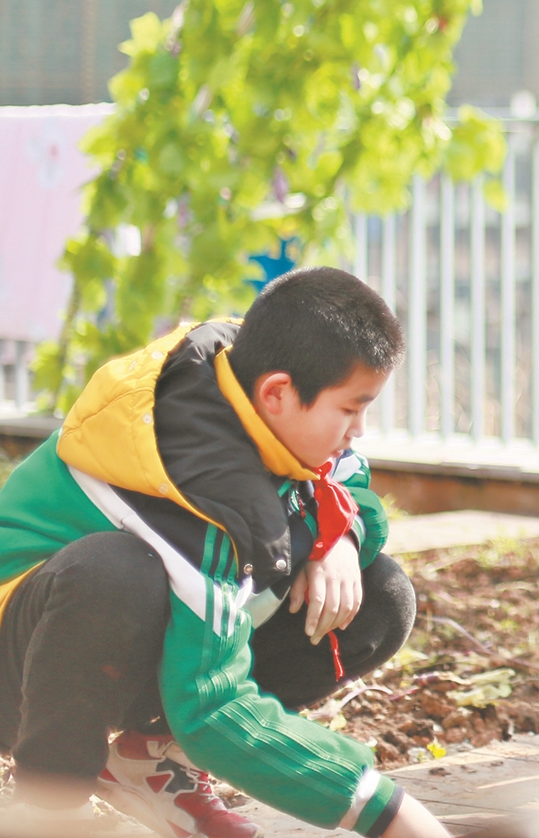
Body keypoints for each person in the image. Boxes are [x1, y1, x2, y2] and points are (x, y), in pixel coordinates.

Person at [0, 266, 453, 838]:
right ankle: (49, 811)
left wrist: (338, 534)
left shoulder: (250, 369)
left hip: (120, 639)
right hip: (23, 665)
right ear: (279, 395)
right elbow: (211, 706)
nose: (359, 429)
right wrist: (388, 813)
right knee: (115, 573)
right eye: (349, 410)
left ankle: (151, 760)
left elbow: (344, 475)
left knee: (378, 596)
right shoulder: (197, 487)